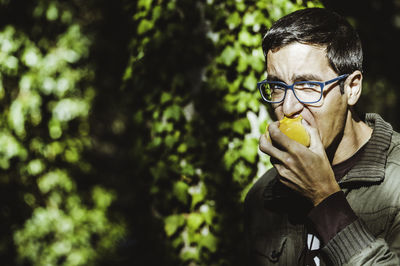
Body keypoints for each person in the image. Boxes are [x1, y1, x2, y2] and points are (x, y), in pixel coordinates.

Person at [244, 7, 400, 266]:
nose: (289, 107)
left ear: (352, 88)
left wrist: (325, 198)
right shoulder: (263, 196)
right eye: (278, 87)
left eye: (308, 86)